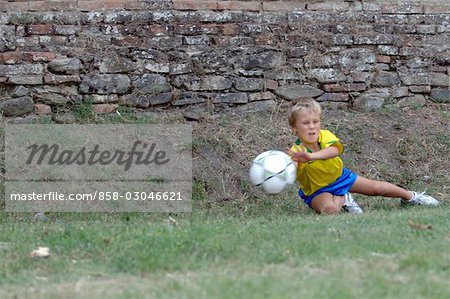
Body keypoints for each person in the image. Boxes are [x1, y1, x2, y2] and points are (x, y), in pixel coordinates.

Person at [287, 98, 439, 214]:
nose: (312, 127)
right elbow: (289, 168)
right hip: (317, 191)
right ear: (294, 127)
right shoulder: (297, 152)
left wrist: (311, 157)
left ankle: (411, 197)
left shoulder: (325, 135)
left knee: (377, 188)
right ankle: (343, 197)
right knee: (330, 210)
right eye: (306, 123)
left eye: (316, 121)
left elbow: (334, 151)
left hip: (341, 177)